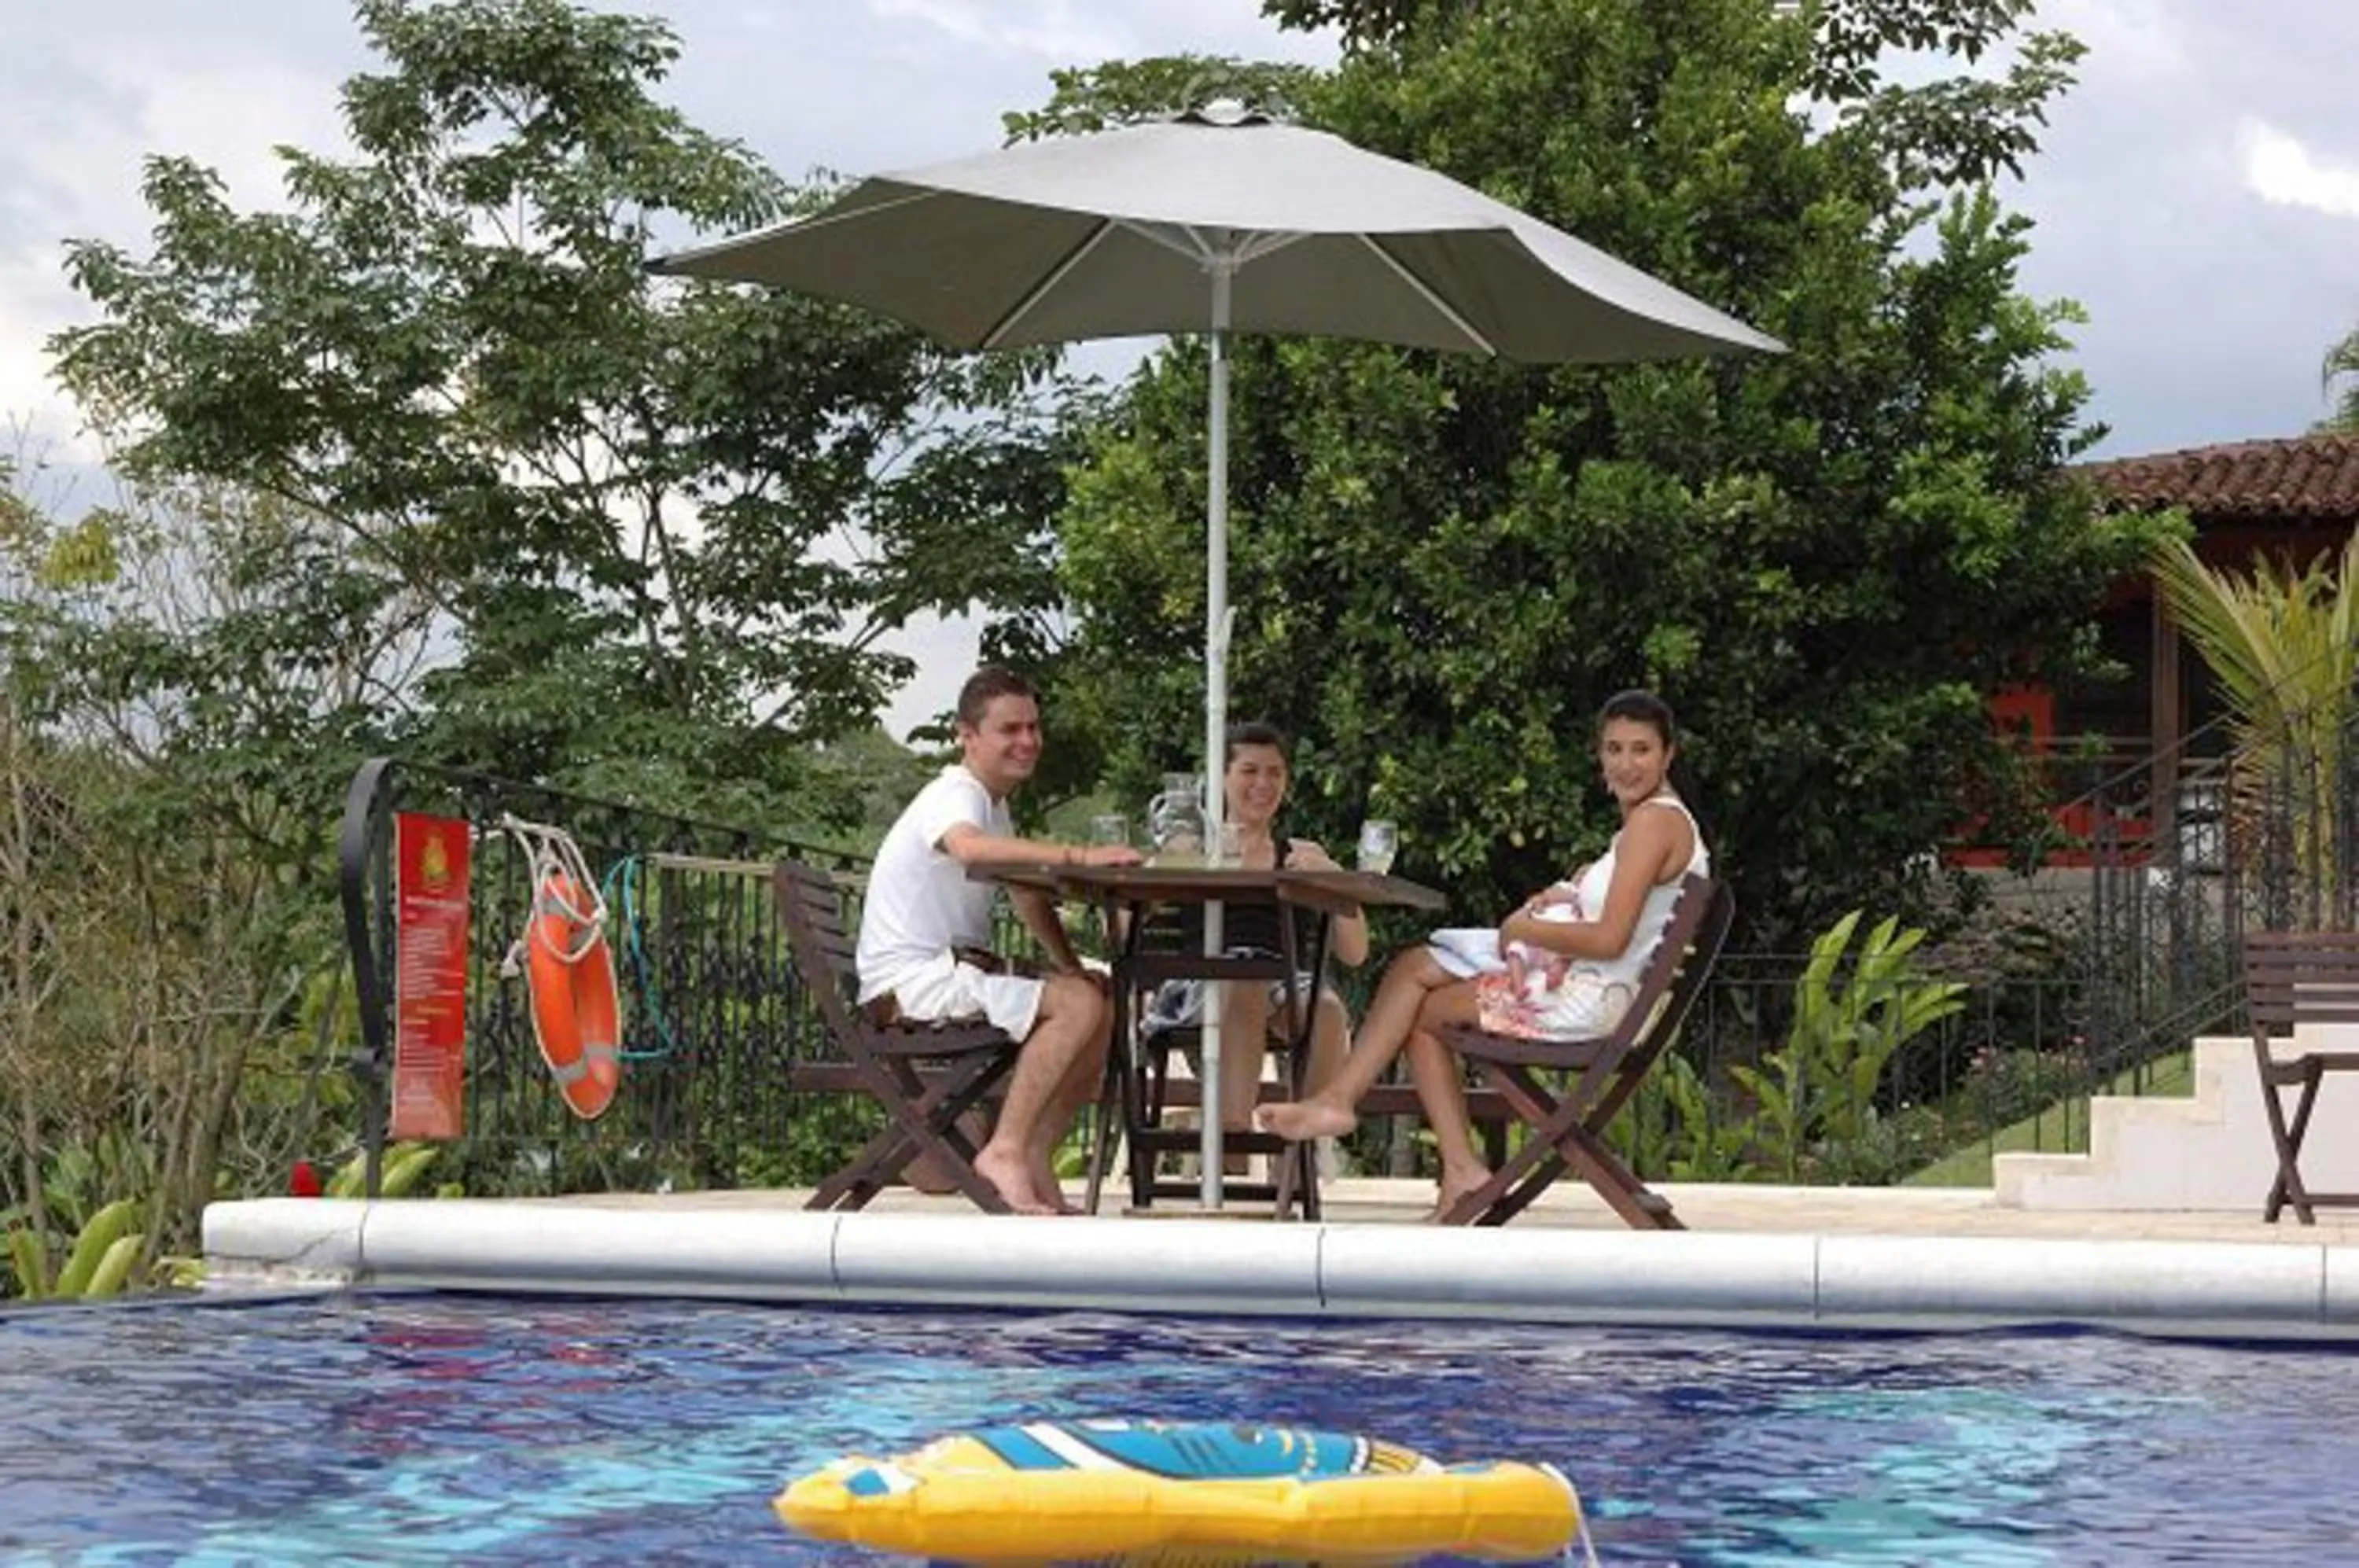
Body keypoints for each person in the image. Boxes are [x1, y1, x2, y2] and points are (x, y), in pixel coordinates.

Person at [1256, 690, 1709, 1215]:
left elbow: (1610, 938)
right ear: (1599, 756)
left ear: (1668, 754)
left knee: (1421, 1009)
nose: (1626, 764)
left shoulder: (1655, 823)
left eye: (1641, 750)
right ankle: (1381, 1126)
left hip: (1592, 1002)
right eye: (1614, 749)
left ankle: (1443, 1158)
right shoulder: (1653, 823)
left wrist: (1525, 929)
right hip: (1598, 992)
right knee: (1414, 969)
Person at [856, 666, 1142, 1215]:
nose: (1028, 741)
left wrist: (1067, 963)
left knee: (1099, 994)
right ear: (968, 736)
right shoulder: (955, 794)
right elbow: (969, 850)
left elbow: (1027, 894)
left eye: (1033, 727)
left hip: (952, 972)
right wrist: (1076, 857)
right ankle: (1003, 1151)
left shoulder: (994, 804)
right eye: (1010, 730)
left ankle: (1036, 1153)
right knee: (1079, 1002)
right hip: (912, 985)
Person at [1136, 721, 1368, 1152]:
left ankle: (1300, 1151)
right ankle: (1232, 1139)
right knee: (1246, 977)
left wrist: (1334, 879)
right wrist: (1165, 867)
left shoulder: (1300, 856)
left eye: (1274, 773)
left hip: (1283, 983)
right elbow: (1133, 916)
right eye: (1249, 771)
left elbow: (1354, 953)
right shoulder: (1194, 848)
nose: (1263, 784)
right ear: (1222, 778)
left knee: (1328, 1009)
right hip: (1199, 981)